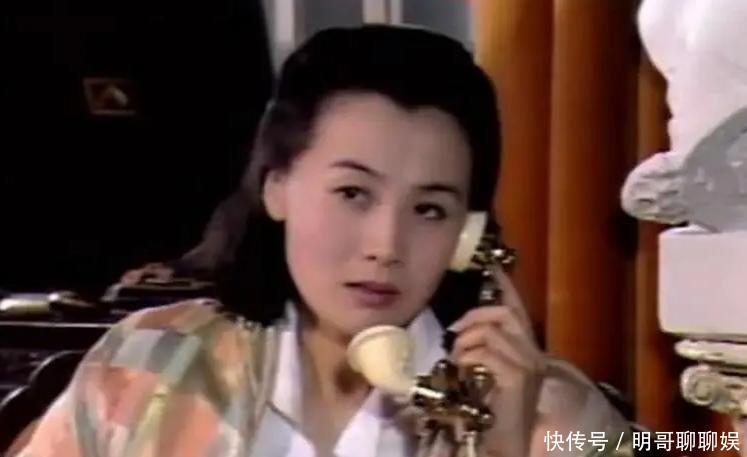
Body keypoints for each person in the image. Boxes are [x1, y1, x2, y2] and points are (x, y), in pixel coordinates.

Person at [14, 25, 630, 457]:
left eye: (430, 209)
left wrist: (513, 444)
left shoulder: (547, 408)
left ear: (467, 236)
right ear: (277, 186)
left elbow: (684, 442)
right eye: (353, 193)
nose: (386, 245)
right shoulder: (151, 363)